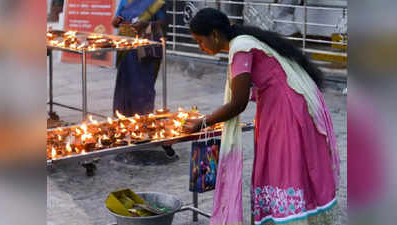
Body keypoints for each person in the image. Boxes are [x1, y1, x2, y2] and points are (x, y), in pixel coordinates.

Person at [183, 8, 340, 225]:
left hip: (288, 111)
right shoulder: (245, 42)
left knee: (286, 164)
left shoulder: (240, 47)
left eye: (200, 41)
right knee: (291, 163)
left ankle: (289, 217)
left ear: (215, 35)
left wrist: (203, 122)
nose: (200, 48)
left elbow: (238, 102)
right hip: (286, 106)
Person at [112, 0, 177, 159]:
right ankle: (124, 127)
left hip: (146, 49)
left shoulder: (157, 2)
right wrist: (116, 21)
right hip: (127, 47)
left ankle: (142, 129)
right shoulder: (124, 1)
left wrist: (146, 23)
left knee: (142, 88)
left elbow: (164, 23)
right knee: (124, 87)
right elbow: (116, 20)